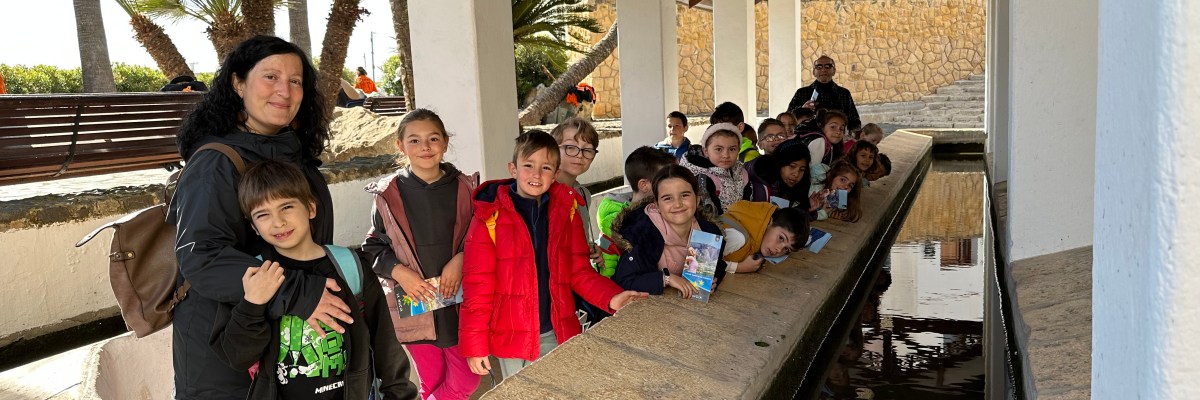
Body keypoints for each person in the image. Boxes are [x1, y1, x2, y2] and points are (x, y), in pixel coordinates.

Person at [168, 35, 351, 399]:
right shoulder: (215, 163)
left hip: (282, 344)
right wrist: (300, 293)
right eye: (271, 77)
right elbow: (203, 256)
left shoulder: (294, 156)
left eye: (295, 80)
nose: (285, 90)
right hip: (222, 353)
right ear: (238, 84)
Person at [211, 160, 419, 400]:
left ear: (310, 208)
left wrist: (399, 395)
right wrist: (252, 305)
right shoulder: (254, 276)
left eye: (287, 207)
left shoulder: (351, 266)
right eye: (263, 214)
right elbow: (237, 356)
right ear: (254, 227)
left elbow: (385, 343)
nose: (278, 222)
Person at [459, 130, 648, 379]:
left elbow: (579, 272)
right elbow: (478, 286)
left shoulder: (567, 212)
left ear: (556, 174)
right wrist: (475, 346)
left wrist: (612, 297)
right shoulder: (489, 218)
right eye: (528, 165)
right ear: (513, 169)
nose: (536, 174)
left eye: (546, 167)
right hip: (512, 336)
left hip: (556, 329)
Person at [361, 109, 481, 400]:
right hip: (415, 301)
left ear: (445, 142)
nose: (425, 147)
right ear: (400, 146)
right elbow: (373, 246)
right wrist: (401, 273)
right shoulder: (388, 195)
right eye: (414, 140)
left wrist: (462, 259)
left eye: (433, 138)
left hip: (459, 302)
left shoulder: (466, 188)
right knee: (432, 380)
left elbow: (484, 238)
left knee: (466, 381)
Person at [610, 165, 728, 298]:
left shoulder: (707, 232)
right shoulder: (642, 233)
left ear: (697, 198)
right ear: (657, 205)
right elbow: (624, 281)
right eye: (667, 198)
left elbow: (718, 265)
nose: (677, 204)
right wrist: (667, 278)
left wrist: (714, 279)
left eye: (685, 195)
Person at [597, 146, 677, 277]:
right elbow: (607, 267)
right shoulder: (615, 222)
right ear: (644, 185)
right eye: (665, 179)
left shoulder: (663, 210)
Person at [680, 123, 760, 215]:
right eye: (719, 149)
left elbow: (748, 204)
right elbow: (709, 215)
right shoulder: (701, 177)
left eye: (732, 149)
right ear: (706, 151)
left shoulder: (742, 173)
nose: (726, 155)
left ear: (738, 150)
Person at [718, 201, 809, 273]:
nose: (779, 249)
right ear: (769, 222)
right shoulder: (737, 238)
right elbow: (708, 263)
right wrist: (739, 267)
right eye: (781, 238)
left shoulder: (756, 238)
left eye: (786, 249)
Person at [786, 56, 862, 131]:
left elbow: (854, 121)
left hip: (836, 136)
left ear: (834, 71)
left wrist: (851, 134)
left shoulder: (843, 94)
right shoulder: (802, 93)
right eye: (819, 67)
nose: (823, 70)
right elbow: (787, 118)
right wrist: (802, 110)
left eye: (827, 66)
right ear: (814, 72)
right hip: (808, 136)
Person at [748, 140, 813, 207]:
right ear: (780, 163)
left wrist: (806, 209)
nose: (796, 174)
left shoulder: (793, 189)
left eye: (802, 169)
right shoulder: (761, 184)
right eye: (792, 166)